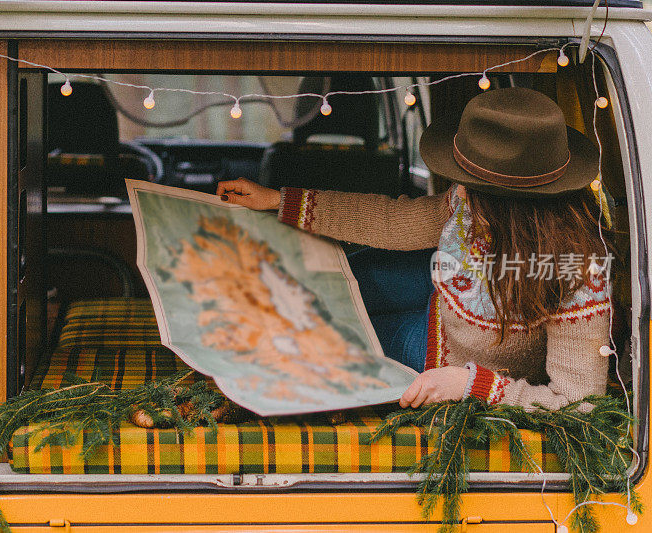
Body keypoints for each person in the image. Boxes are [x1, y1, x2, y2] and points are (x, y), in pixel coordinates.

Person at [216, 87, 612, 411]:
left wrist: (473, 385)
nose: (461, 192)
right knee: (316, 284)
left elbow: (580, 404)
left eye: (475, 189)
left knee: (332, 334)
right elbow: (391, 221)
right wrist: (279, 200)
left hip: (442, 357)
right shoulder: (467, 203)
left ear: (514, 207)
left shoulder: (579, 273)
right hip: (438, 296)